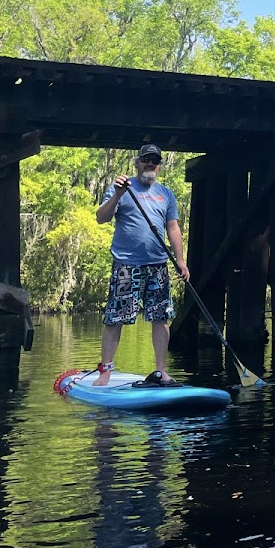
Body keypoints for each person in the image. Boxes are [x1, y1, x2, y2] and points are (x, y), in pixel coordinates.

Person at [92, 143, 190, 387]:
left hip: (158, 265)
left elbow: (173, 227)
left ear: (159, 165)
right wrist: (117, 195)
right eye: (146, 160)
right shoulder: (122, 188)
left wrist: (180, 260)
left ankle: (161, 372)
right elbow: (101, 218)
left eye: (154, 161)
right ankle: (105, 371)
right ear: (137, 162)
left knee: (161, 318)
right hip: (127, 265)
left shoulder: (166, 193)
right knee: (116, 318)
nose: (150, 164)